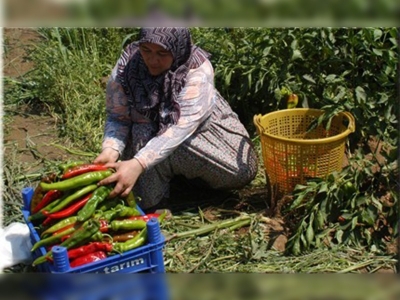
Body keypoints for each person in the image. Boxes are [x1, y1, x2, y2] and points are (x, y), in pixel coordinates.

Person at [94, 27, 258, 211]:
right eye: (146, 50)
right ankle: (157, 194)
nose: (152, 60)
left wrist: (138, 163)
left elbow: (180, 128)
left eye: (162, 53)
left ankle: (183, 176)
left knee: (242, 170)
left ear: (178, 49)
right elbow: (118, 117)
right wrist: (111, 149)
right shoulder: (127, 66)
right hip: (146, 134)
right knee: (144, 134)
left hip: (196, 130)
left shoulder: (197, 71)